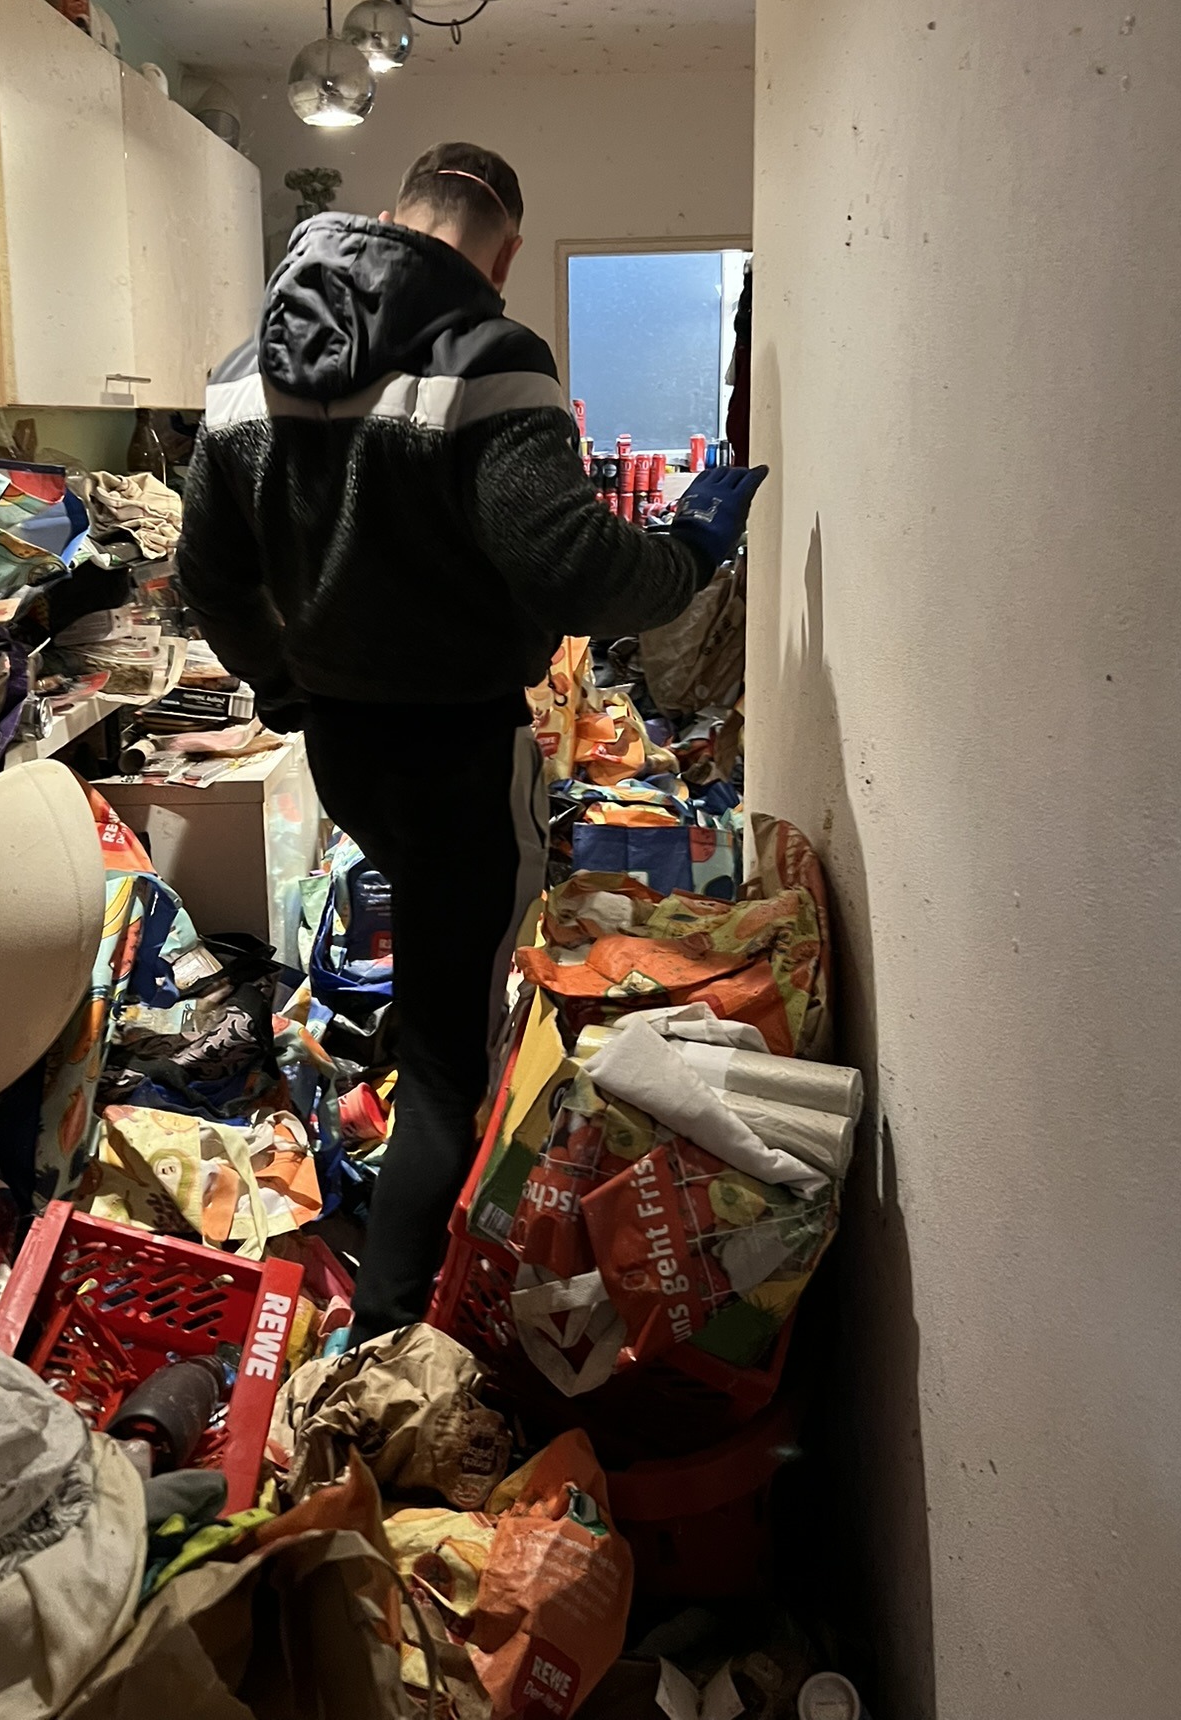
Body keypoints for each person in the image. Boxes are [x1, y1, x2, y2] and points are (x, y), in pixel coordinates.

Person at [177, 140, 766, 1344]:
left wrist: (284, 686)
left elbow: (208, 575)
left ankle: (401, 1130)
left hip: (343, 749)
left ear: (394, 214)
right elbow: (575, 566)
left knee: (426, 948)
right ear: (501, 254)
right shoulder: (491, 358)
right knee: (459, 1055)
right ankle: (393, 1339)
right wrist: (691, 552)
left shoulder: (247, 373)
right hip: (458, 755)